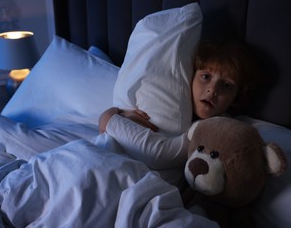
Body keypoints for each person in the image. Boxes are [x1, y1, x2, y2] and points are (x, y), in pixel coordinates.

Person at [98, 40, 259, 186]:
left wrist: (110, 117)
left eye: (226, 86)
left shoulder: (215, 127)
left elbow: (158, 154)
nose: (213, 90)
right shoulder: (176, 107)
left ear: (236, 97)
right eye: (206, 77)